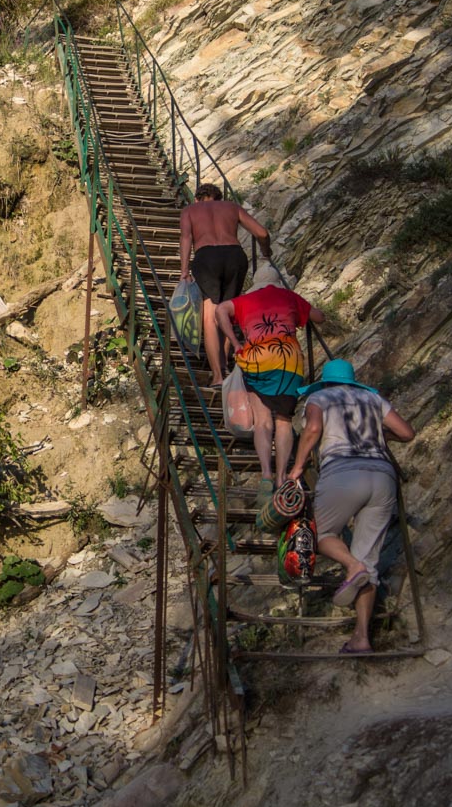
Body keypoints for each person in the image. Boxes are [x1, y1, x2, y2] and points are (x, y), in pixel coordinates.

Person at [288, 359, 417, 653]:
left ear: (326, 381)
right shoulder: (373, 398)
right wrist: (380, 437)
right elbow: (408, 433)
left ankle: (350, 564)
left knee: (317, 535)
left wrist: (297, 467)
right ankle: (361, 637)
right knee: (369, 562)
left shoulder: (319, 397)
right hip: (383, 476)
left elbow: (313, 429)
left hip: (343, 472)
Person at [215, 263, 314, 526]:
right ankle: (283, 477)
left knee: (262, 421)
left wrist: (235, 343)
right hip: (289, 360)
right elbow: (319, 317)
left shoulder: (246, 299)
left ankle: (267, 475)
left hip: (257, 358)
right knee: (283, 421)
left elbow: (220, 310)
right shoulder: (289, 297)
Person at [178, 183, 271, 388]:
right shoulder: (232, 207)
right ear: (218, 198)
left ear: (197, 199)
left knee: (210, 317)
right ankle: (226, 366)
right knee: (227, 312)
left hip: (206, 257)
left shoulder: (190, 210)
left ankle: (218, 375)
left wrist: (184, 270)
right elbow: (262, 233)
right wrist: (266, 252)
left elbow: (186, 238)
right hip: (234, 257)